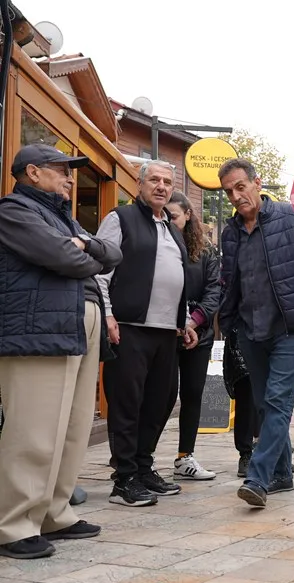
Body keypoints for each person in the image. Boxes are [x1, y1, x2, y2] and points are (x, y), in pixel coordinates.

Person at [0, 145, 122, 559]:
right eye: (62, 170)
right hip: (38, 328)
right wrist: (83, 251)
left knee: (72, 426)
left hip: (74, 320)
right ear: (32, 172)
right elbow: (64, 258)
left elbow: (112, 255)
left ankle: (54, 511)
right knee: (33, 429)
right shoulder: (14, 211)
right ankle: (13, 524)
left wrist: (84, 247)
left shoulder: (64, 217)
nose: (71, 178)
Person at [218, 158, 294, 508]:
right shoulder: (230, 232)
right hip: (251, 330)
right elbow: (230, 281)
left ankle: (258, 477)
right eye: (229, 192)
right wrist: (227, 320)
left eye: (241, 186)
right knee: (264, 404)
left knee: (279, 402)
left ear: (257, 182)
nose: (236, 196)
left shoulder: (293, 217)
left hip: (289, 327)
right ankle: (283, 473)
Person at [96, 160, 197, 507]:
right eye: (154, 179)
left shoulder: (171, 228)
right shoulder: (120, 219)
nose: (161, 186)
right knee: (127, 404)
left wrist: (183, 321)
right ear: (139, 185)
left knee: (160, 403)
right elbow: (99, 272)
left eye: (167, 182)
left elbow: (176, 280)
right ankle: (123, 479)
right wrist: (107, 315)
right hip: (129, 328)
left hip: (166, 332)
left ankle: (142, 467)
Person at [165, 192, 220, 480]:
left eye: (173, 215)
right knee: (159, 396)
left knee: (192, 395)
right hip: (163, 332)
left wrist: (192, 323)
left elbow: (214, 292)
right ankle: (141, 457)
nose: (169, 221)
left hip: (198, 333)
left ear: (187, 215)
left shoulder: (206, 252)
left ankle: (184, 456)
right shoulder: (157, 246)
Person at [223, 326, 258, 477]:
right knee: (246, 397)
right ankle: (245, 454)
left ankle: (275, 453)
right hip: (242, 332)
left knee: (274, 399)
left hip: (273, 333)